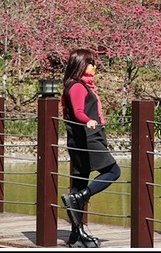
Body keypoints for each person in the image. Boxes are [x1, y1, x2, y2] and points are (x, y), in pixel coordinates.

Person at [60, 48, 121, 248]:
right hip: (88, 137)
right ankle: (80, 197)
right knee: (113, 171)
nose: (95, 66)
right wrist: (89, 120)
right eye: (91, 63)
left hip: (78, 139)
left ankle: (76, 234)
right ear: (81, 65)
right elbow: (78, 112)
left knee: (79, 181)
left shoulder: (77, 85)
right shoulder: (78, 87)